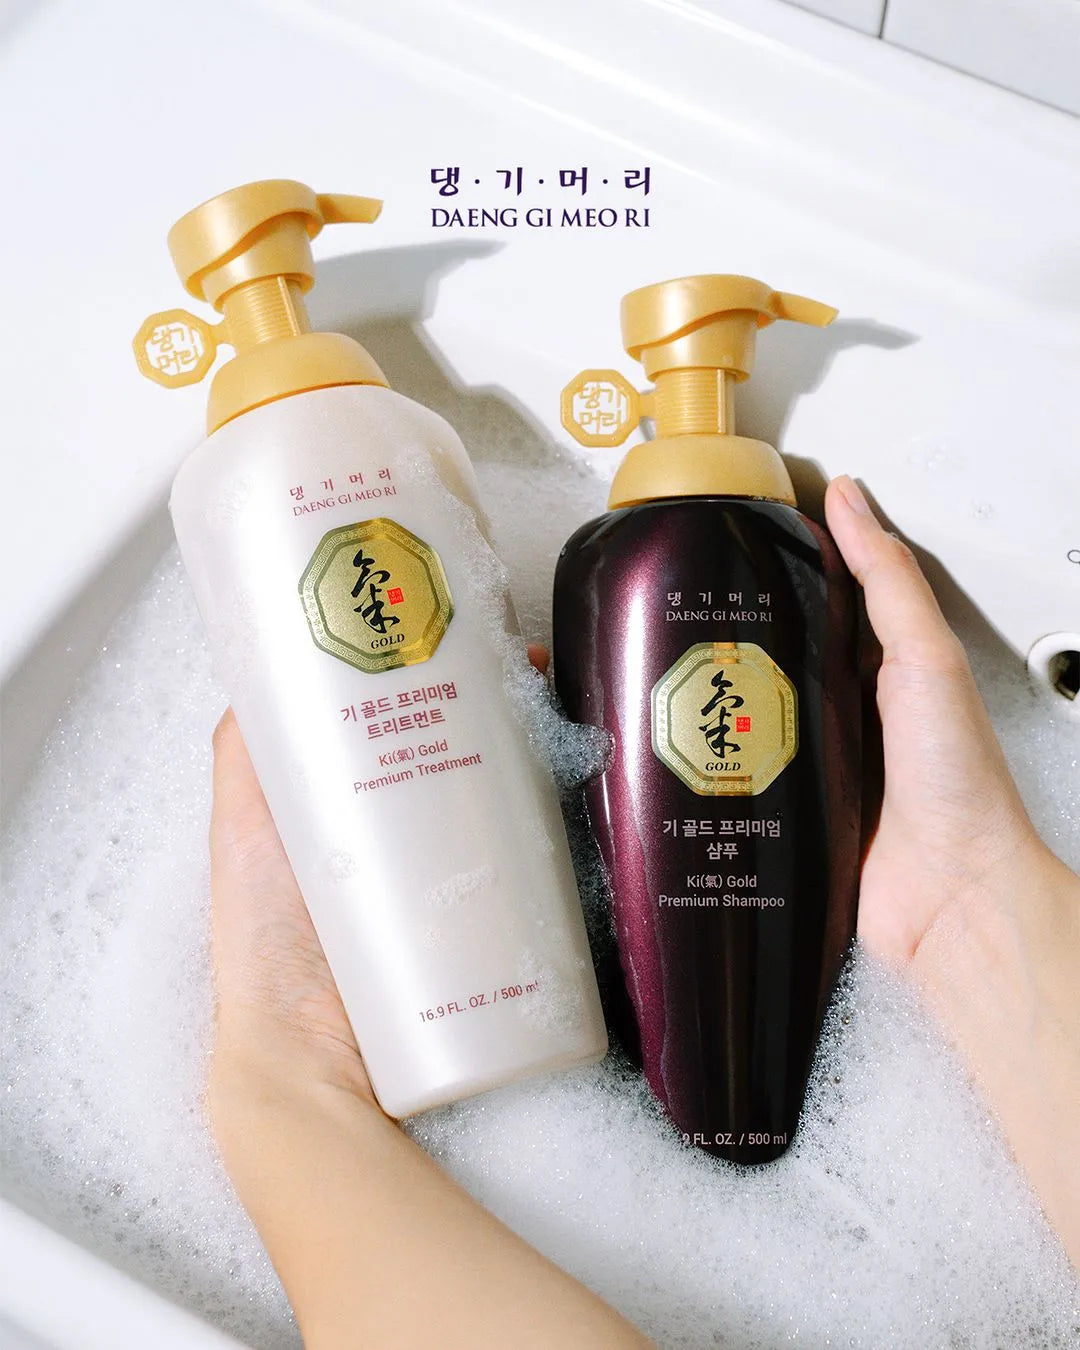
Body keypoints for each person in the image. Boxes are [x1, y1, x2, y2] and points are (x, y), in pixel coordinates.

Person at [207, 477, 1080, 1347]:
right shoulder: (664, 556)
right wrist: (966, 892)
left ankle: (289, 1091)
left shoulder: (659, 556)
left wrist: (289, 1070)